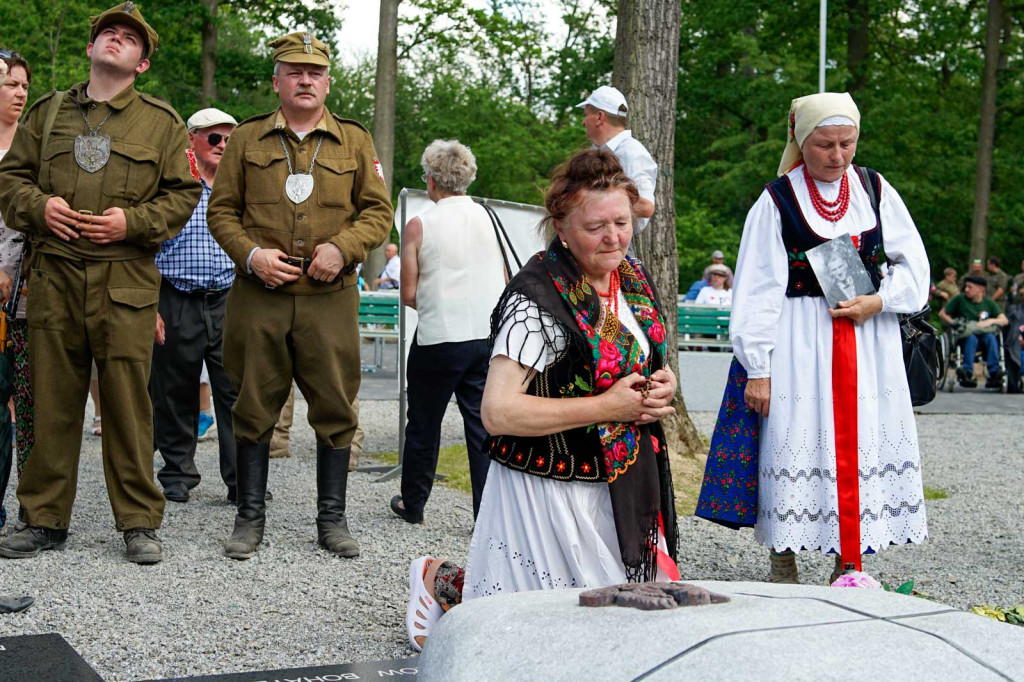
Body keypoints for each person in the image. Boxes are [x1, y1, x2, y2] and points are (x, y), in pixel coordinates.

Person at [402, 149, 679, 651]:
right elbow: (498, 413)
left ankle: (449, 580)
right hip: (548, 485)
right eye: (596, 227)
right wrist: (606, 408)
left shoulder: (630, 278)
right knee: (534, 628)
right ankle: (439, 581)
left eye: (621, 222)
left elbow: (644, 356)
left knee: (604, 626)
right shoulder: (537, 301)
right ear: (562, 227)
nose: (613, 237)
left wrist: (665, 384)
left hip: (620, 477)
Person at [0, 4, 200, 565]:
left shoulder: (162, 123)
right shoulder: (47, 114)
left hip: (125, 281)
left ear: (141, 64)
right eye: (108, 33)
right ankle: (42, 519)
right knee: (50, 401)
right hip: (54, 276)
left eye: (130, 38)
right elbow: (10, 178)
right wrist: (41, 208)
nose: (117, 39)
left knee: (128, 406)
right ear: (91, 49)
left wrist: (131, 223)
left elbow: (184, 194)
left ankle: (138, 522)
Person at [728, 92, 929, 584]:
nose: (837, 156)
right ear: (800, 139)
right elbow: (756, 290)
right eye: (824, 145)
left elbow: (915, 268)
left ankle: (850, 556)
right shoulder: (776, 199)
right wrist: (758, 368)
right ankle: (784, 554)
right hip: (800, 341)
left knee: (864, 439)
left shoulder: (875, 190)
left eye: (847, 143)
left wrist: (877, 301)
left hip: (867, 340)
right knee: (794, 438)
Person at [207, 31, 392, 560]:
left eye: (313, 72)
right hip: (258, 296)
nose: (304, 79)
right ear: (277, 81)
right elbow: (221, 211)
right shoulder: (245, 139)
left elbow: (377, 212)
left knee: (334, 404)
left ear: (328, 81)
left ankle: (332, 520)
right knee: (252, 402)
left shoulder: (354, 140)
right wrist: (250, 256)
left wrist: (345, 246)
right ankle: (249, 517)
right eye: (293, 71)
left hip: (329, 298)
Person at [389, 139, 505, 524]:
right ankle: (486, 514)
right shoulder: (489, 218)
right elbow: (503, 279)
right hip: (487, 338)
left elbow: (408, 292)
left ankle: (414, 503)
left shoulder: (420, 224)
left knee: (424, 422)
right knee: (482, 425)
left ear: (432, 182)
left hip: (440, 337)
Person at [149, 107, 240, 504]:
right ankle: (177, 472)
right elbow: (148, 245)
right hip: (176, 296)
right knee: (173, 389)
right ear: (192, 140)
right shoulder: (172, 187)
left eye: (229, 139)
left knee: (236, 391)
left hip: (229, 299)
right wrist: (151, 305)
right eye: (214, 138)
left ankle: (242, 479)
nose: (223, 146)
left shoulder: (241, 188)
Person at [0, 48, 32, 529]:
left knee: (26, 398)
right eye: (12, 83)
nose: (21, 92)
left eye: (25, 85)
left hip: (26, 296)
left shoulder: (36, 144)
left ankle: (34, 500)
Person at [577, 86, 656, 243]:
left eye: (586, 115)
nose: (583, 122)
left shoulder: (632, 153)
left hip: (614, 245)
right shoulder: (595, 151)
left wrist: (594, 207)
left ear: (600, 117)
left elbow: (646, 207)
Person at [939, 276, 1007, 389]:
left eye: (970, 287)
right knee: (972, 338)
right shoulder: (960, 299)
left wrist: (990, 321)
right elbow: (942, 313)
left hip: (985, 336)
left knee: (991, 337)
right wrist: (953, 323)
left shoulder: (989, 303)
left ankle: (994, 372)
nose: (966, 289)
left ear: (980, 289)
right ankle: (967, 372)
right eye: (966, 286)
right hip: (966, 336)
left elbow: (1004, 320)